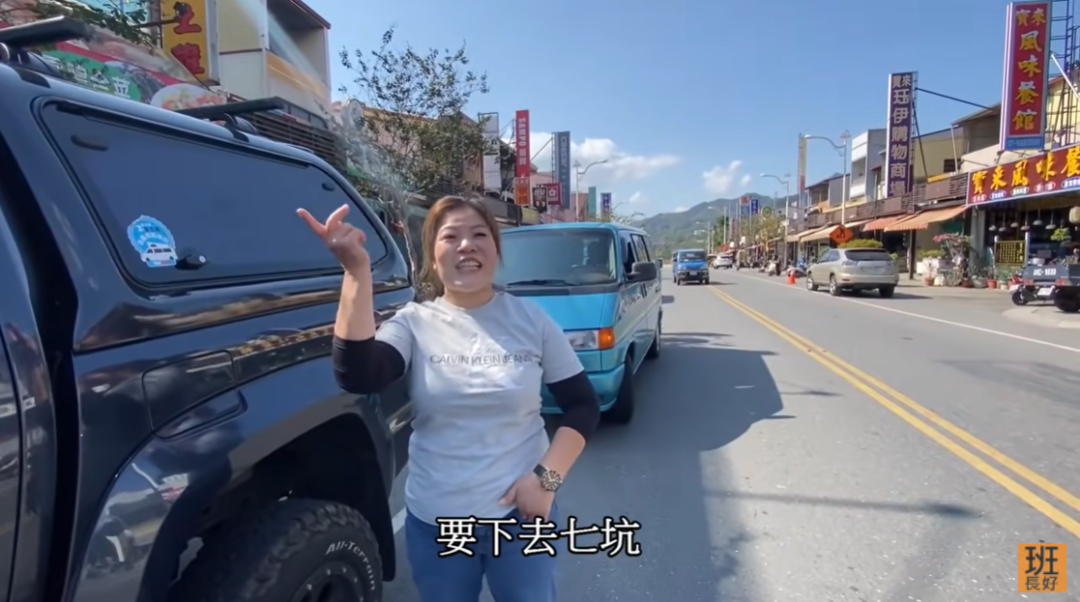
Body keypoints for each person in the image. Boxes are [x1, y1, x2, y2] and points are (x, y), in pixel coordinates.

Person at [297, 195, 600, 602]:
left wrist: (546, 482)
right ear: (433, 256)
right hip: (437, 524)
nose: (466, 245)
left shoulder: (533, 320)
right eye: (451, 237)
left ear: (496, 250)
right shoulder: (413, 323)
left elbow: (582, 406)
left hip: (521, 518)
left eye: (479, 235)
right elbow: (358, 375)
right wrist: (356, 272)